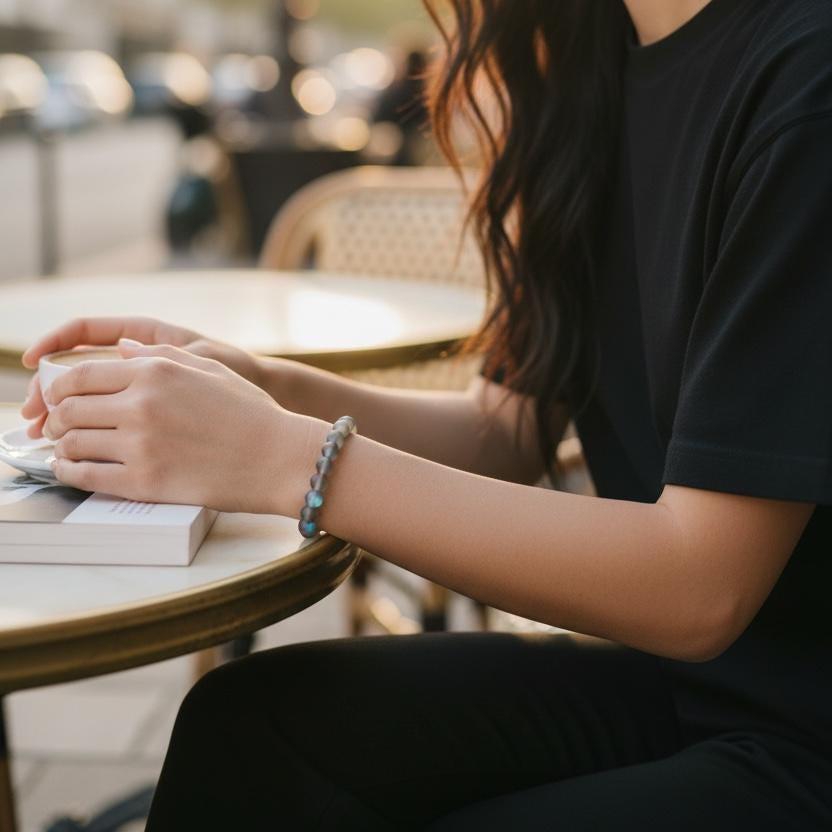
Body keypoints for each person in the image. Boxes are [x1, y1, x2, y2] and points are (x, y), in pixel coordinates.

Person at [18, 0, 832, 828]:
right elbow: (504, 431)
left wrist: (282, 458)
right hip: (684, 686)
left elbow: (700, 588)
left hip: (804, 735)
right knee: (254, 728)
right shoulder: (586, 60)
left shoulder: (804, 76)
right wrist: (267, 390)